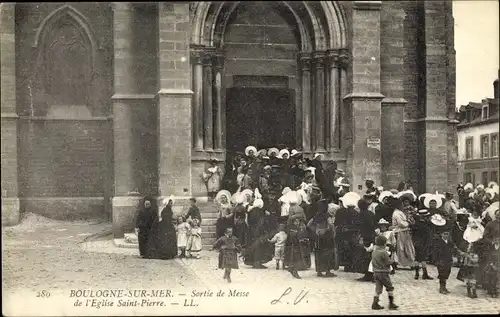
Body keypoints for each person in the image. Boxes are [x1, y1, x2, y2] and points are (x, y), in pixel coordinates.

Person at [307, 198, 338, 278]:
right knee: (328, 253)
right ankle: (327, 271)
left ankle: (319, 271)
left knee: (318, 253)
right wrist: (326, 230)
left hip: (318, 237)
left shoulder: (316, 215)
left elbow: (309, 224)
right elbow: (331, 224)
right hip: (327, 237)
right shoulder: (327, 215)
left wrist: (316, 230)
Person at [243, 198, 274, 269]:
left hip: (251, 231)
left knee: (253, 246)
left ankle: (253, 262)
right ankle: (258, 263)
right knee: (259, 247)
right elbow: (263, 223)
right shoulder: (260, 212)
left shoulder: (251, 211)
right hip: (259, 232)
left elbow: (248, 222)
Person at [371, 235, 398, 310]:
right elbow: (387, 262)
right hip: (383, 272)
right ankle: (391, 303)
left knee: (378, 288)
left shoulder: (374, 252)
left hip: (376, 272)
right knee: (390, 287)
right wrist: (393, 261)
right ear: (384, 244)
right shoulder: (384, 252)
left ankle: (375, 303)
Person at [433, 229, 463, 294]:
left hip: (448, 260)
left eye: (447, 234)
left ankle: (444, 287)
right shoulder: (438, 242)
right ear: (441, 234)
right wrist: (436, 261)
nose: (446, 235)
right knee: (442, 274)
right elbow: (435, 252)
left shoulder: (450, 242)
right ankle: (441, 288)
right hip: (441, 260)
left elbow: (455, 249)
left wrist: (461, 253)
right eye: (444, 234)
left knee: (447, 273)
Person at [391, 199, 416, 268]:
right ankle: (402, 262)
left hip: (404, 231)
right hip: (400, 231)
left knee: (407, 247)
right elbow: (401, 223)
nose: (403, 205)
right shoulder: (396, 213)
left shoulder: (400, 212)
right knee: (402, 248)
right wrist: (408, 223)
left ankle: (410, 262)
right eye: (401, 204)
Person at [411, 209, 434, 280]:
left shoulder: (416, 224)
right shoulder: (427, 225)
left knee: (416, 258)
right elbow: (428, 236)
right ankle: (425, 274)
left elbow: (413, 234)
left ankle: (417, 274)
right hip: (424, 243)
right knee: (423, 258)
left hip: (416, 243)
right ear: (425, 217)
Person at [357, 198, 376, 282]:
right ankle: (370, 273)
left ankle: (367, 274)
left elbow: (359, 227)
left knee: (364, 256)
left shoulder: (360, 215)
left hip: (364, 236)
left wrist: (360, 237)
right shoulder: (371, 214)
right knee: (370, 255)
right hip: (372, 236)